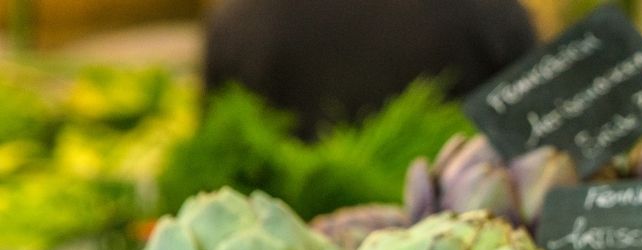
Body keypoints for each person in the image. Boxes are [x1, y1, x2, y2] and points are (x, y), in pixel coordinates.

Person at [203, 0, 539, 137]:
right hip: (460, 243)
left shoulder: (238, 19)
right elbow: (541, 133)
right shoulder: (490, 11)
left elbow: (217, 146)